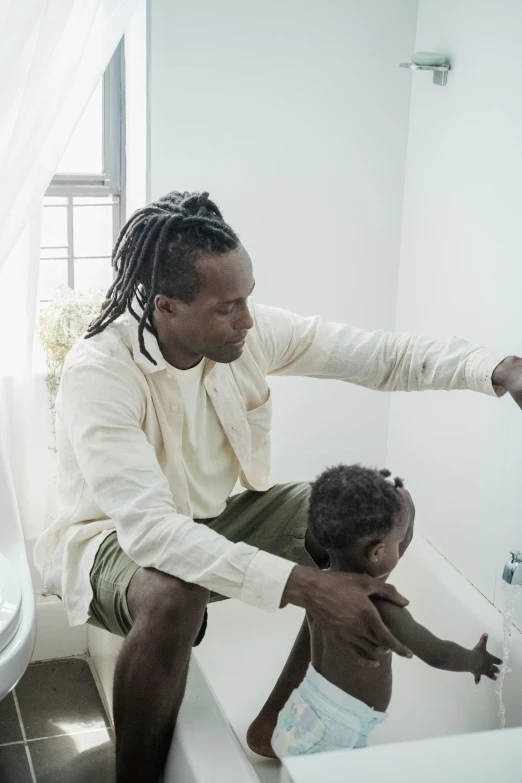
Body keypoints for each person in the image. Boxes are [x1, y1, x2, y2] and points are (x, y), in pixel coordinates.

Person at [33, 191, 522, 782]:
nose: (247, 319)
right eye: (226, 307)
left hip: (216, 517)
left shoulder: (248, 333)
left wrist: (496, 369)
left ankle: (282, 716)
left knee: (376, 516)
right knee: (173, 595)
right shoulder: (101, 373)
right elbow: (153, 533)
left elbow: (380, 356)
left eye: (249, 297)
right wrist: (307, 586)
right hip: (112, 541)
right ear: (165, 306)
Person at [270, 464, 502, 758]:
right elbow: (438, 654)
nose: (401, 547)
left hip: (303, 711)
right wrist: (476, 661)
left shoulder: (322, 588)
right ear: (377, 552)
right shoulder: (380, 605)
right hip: (336, 733)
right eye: (398, 542)